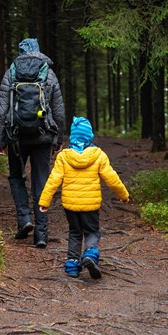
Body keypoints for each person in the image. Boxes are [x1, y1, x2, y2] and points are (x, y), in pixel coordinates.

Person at [0, 38, 65, 248]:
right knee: (41, 181)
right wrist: (58, 138)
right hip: (42, 135)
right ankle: (41, 234)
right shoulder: (48, 73)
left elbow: (1, 108)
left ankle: (24, 219)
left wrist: (0, 139)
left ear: (21, 52)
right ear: (38, 51)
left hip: (16, 135)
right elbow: (58, 110)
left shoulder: (12, 72)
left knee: (17, 176)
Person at [39, 117, 130, 278]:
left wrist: (45, 201)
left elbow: (53, 180)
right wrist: (124, 195)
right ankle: (90, 254)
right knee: (92, 231)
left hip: (70, 205)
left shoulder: (64, 156)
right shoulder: (98, 155)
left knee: (75, 232)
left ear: (73, 136)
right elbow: (112, 179)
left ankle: (73, 265)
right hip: (90, 205)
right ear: (90, 136)